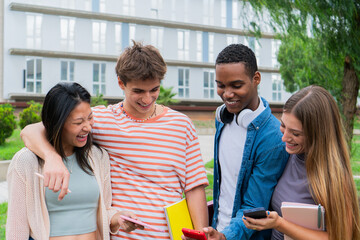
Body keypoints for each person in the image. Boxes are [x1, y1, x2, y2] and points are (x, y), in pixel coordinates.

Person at [20, 41, 209, 240]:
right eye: (138, 91)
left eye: (154, 90)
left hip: (170, 235)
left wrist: (199, 235)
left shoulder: (182, 125)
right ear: (121, 83)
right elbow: (30, 131)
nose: (147, 99)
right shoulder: (99, 120)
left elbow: (194, 187)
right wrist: (52, 158)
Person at [6, 82, 142, 240]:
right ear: (56, 123)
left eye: (90, 118)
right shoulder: (26, 162)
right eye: (78, 123)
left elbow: (103, 209)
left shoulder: (98, 157)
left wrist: (117, 217)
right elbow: (17, 229)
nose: (87, 127)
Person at [242, 85, 360, 240]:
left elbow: (341, 236)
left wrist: (280, 224)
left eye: (295, 133)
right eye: (283, 125)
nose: (284, 138)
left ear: (318, 134)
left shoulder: (334, 178)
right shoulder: (286, 155)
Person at [202, 44, 289, 240]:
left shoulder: (273, 138)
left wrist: (225, 236)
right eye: (221, 85)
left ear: (256, 79)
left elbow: (254, 207)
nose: (227, 94)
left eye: (236, 85)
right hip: (216, 229)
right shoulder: (223, 120)